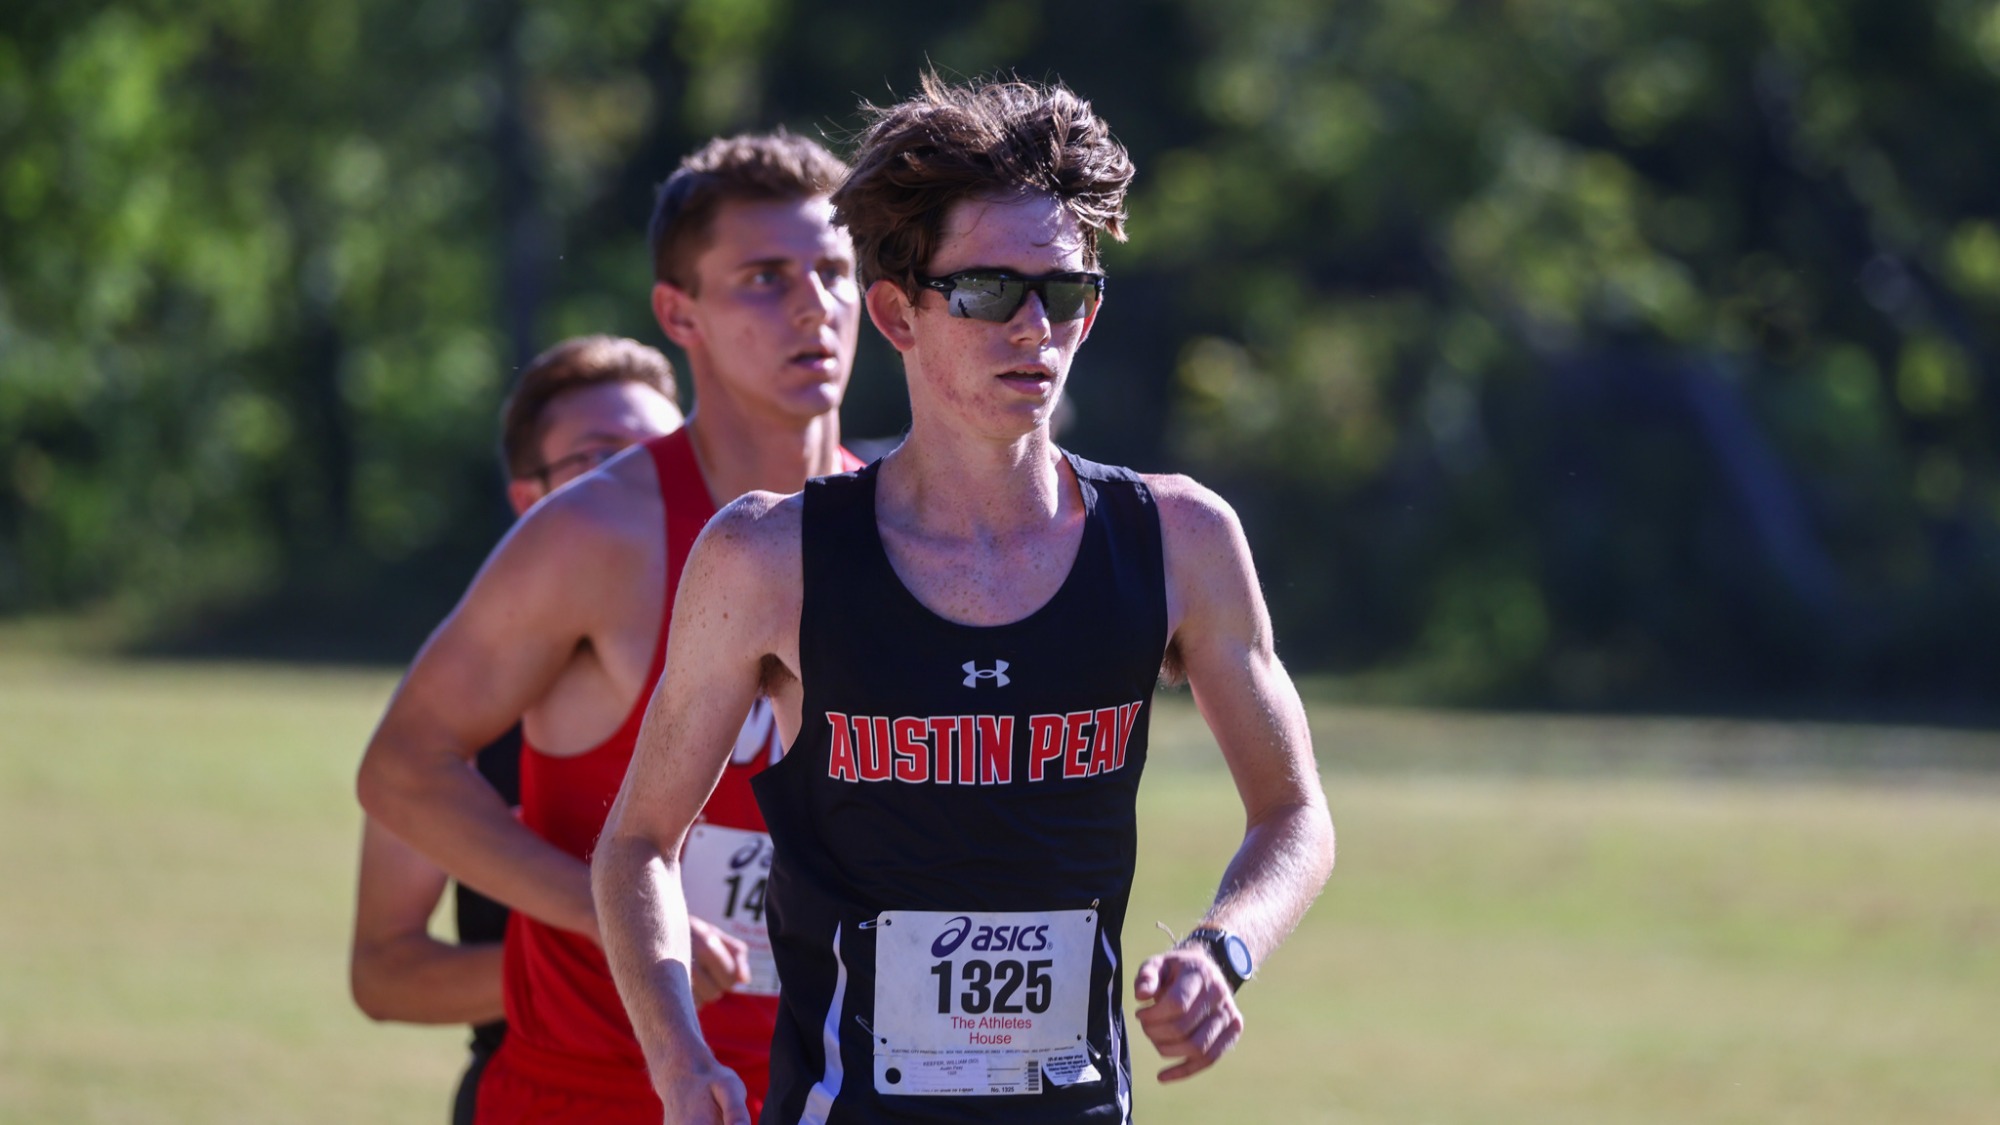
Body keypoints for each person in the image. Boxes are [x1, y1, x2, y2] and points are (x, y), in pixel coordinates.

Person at [593, 73, 1337, 1125]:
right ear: (896, 310)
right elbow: (635, 845)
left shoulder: (1178, 540)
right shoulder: (770, 556)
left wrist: (1225, 949)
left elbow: (1294, 812)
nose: (1034, 329)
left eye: (1066, 293)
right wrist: (677, 1059)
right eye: (989, 291)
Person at [356, 130, 866, 1124]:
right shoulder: (597, 531)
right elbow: (401, 769)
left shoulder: (896, 531)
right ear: (681, 314)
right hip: (592, 1092)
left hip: (829, 1094)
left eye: (836, 272)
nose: (813, 305)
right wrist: (615, 911)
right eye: (764, 278)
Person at [348, 334, 683, 1125]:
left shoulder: (763, 658)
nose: (637, 485)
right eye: (600, 462)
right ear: (534, 504)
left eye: (662, 456)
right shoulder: (463, 718)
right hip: (539, 1093)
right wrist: (608, 950)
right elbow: (382, 971)